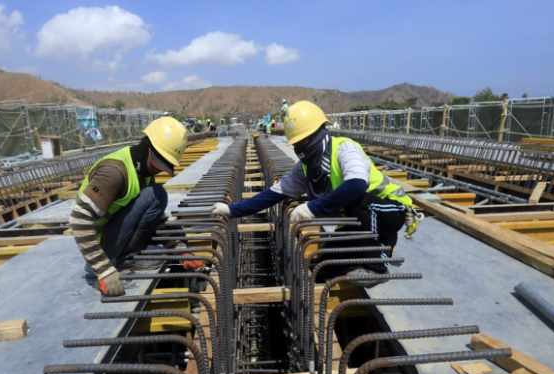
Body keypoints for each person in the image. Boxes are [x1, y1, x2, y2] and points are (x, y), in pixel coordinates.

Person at [211, 101, 419, 285]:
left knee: (357, 199)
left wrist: (312, 207)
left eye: (303, 141)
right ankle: (345, 272)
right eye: (297, 144)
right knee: (320, 264)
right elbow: (274, 193)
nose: (300, 148)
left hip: (389, 209)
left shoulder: (345, 149)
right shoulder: (305, 167)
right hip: (358, 220)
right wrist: (232, 210)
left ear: (318, 133)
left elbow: (356, 185)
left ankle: (377, 267)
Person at [70, 117, 203, 296]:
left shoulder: (143, 171)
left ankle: (128, 256)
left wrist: (178, 247)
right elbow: (79, 219)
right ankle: (125, 259)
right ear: (147, 148)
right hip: (99, 246)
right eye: (158, 163)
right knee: (157, 195)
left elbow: (155, 218)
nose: (159, 169)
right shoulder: (114, 173)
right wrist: (104, 269)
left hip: (112, 237)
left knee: (158, 201)